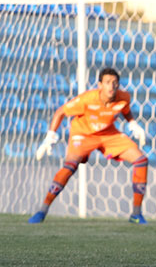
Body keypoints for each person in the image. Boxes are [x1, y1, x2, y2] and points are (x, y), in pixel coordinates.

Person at [28, 68, 149, 224]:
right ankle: (42, 211)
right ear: (100, 85)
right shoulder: (87, 100)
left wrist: (132, 123)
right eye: (107, 83)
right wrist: (50, 136)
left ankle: (136, 215)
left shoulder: (123, 97)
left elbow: (124, 109)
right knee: (69, 167)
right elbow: (60, 112)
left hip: (108, 134)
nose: (111, 86)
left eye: (114, 83)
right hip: (83, 134)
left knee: (141, 160)